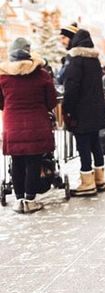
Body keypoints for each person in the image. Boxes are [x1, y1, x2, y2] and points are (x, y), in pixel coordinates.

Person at [0, 37, 57, 213]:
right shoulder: (42, 75)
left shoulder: (3, 77)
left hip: (12, 124)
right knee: (34, 160)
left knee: (16, 160)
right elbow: (52, 101)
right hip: (37, 123)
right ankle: (30, 199)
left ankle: (19, 200)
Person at [61, 29, 105, 196]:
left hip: (81, 112)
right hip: (96, 111)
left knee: (83, 146)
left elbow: (71, 87)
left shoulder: (75, 59)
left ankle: (87, 183)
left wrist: (67, 109)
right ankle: (100, 180)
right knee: (95, 144)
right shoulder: (94, 60)